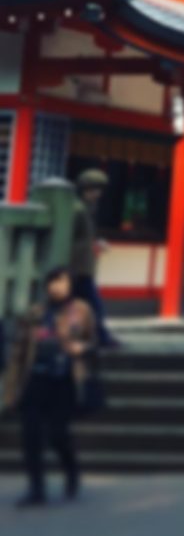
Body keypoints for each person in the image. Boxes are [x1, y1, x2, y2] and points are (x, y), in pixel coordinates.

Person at [3, 265, 98, 506]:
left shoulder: (81, 311)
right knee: (31, 436)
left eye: (63, 282)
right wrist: (12, 385)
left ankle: (71, 469)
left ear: (71, 286)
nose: (58, 287)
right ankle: (37, 489)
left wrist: (82, 348)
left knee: (58, 435)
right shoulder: (36, 312)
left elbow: (93, 342)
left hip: (64, 380)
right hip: (36, 379)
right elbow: (19, 351)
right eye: (53, 282)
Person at [68, 169, 117, 348]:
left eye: (98, 189)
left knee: (81, 305)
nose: (97, 193)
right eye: (93, 189)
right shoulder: (78, 210)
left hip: (82, 265)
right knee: (93, 305)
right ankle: (101, 337)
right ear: (84, 189)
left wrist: (95, 243)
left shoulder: (85, 209)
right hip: (77, 267)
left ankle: (94, 336)